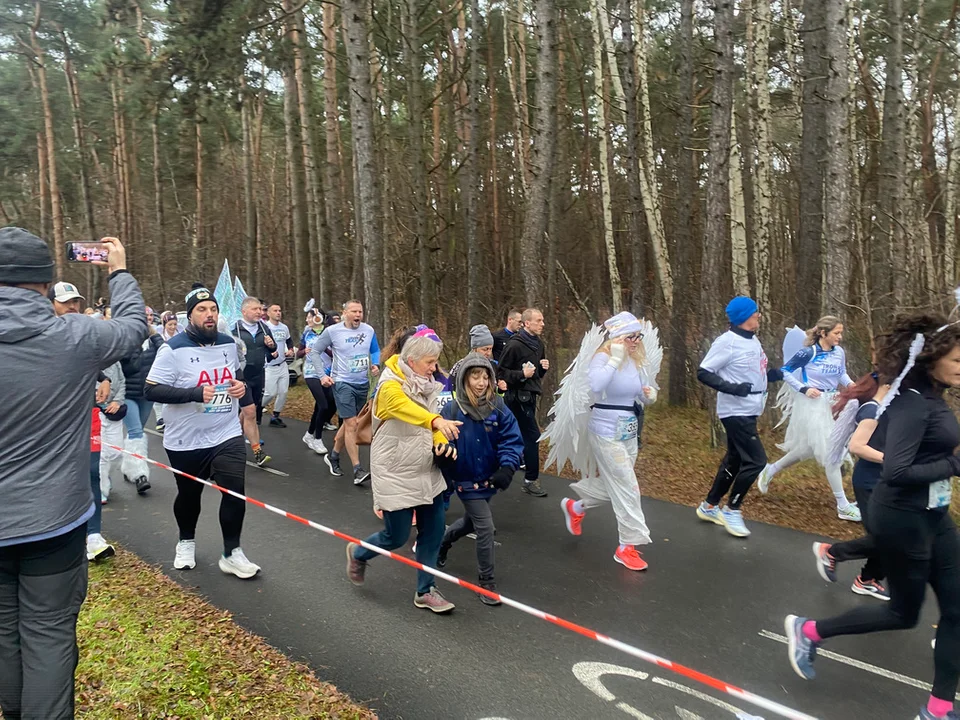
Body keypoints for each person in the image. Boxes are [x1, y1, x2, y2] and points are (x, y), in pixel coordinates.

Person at [0, 230, 146, 720]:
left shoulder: (75, 336)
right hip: (53, 522)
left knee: (4, 632)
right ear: (45, 283)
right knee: (47, 632)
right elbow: (131, 327)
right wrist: (119, 270)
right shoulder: (75, 337)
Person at [785, 313, 960, 720]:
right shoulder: (914, 403)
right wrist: (953, 465)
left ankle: (937, 710)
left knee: (957, 610)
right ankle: (809, 632)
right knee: (903, 613)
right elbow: (897, 471)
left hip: (935, 513)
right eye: (956, 360)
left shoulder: (932, 395)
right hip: (903, 516)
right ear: (930, 357)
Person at [145, 286, 261, 579]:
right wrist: (195, 393)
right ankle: (186, 540)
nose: (209, 315)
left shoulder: (227, 344)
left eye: (213, 310)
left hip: (225, 432)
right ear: (190, 315)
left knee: (235, 491)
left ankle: (232, 553)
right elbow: (151, 389)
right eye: (202, 310)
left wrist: (240, 387)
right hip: (186, 439)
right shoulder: (172, 349)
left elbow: (237, 377)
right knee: (189, 495)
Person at [345, 327, 462, 613]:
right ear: (411, 361)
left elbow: (431, 425)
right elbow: (403, 408)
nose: (435, 368)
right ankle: (359, 553)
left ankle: (425, 590)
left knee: (432, 532)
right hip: (395, 471)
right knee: (395, 537)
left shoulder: (428, 382)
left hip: (425, 469)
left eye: (435, 363)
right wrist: (435, 422)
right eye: (430, 363)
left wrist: (440, 442)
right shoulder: (389, 386)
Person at [558, 312, 660, 571]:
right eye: (630, 337)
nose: (636, 341)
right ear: (616, 338)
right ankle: (627, 545)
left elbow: (639, 392)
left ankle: (576, 507)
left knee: (613, 483)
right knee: (627, 485)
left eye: (638, 336)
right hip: (604, 430)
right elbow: (596, 384)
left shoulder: (636, 360)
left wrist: (649, 394)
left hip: (628, 429)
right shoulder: (602, 357)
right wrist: (614, 358)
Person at [436, 353, 524, 604]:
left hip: (489, 478)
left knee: (471, 523)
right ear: (465, 378)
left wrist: (507, 467)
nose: (482, 382)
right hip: (464, 478)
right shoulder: (452, 408)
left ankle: (443, 543)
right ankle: (486, 582)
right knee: (485, 526)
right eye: (476, 376)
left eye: (486, 376)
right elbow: (441, 439)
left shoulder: (498, 406)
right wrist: (443, 456)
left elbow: (511, 439)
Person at [696, 297, 783, 538]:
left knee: (735, 459)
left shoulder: (752, 339)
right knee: (756, 461)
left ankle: (709, 506)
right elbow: (703, 372)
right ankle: (732, 509)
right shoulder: (727, 342)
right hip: (735, 411)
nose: (759, 316)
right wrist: (732, 388)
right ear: (744, 317)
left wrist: (773, 375)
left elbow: (755, 372)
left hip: (751, 408)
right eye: (756, 313)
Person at [758, 316, 860, 521]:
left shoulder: (838, 352)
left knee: (806, 449)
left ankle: (770, 469)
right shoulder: (809, 352)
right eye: (836, 333)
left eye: (841, 333)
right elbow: (785, 371)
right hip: (812, 405)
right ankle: (843, 505)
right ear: (823, 333)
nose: (840, 337)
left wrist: (853, 387)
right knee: (831, 451)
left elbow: (841, 374)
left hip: (832, 402)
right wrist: (804, 388)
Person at [812, 372, 891, 600]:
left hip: (885, 480)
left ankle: (868, 579)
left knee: (891, 535)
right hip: (869, 483)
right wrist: (891, 459)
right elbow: (857, 446)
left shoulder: (887, 408)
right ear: (887, 384)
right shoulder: (871, 410)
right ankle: (832, 553)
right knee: (886, 537)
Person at [311, 300, 381, 483]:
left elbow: (375, 350)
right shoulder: (332, 331)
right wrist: (321, 376)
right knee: (351, 424)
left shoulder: (368, 330)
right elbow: (314, 352)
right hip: (342, 382)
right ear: (345, 313)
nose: (358, 315)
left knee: (353, 422)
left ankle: (333, 455)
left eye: (360, 311)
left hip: (362, 382)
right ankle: (358, 469)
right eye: (354, 311)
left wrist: (376, 364)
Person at [498, 308, 550, 497]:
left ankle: (499, 466)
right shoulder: (514, 345)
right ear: (527, 323)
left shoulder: (539, 344)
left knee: (511, 433)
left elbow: (534, 375)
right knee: (532, 436)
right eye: (539, 320)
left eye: (543, 320)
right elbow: (501, 373)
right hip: (516, 397)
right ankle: (530, 480)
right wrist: (521, 375)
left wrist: (542, 370)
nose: (542, 324)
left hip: (530, 397)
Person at [119, 310, 164, 495]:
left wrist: (155, 336)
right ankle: (140, 475)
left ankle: (127, 465)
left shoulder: (154, 340)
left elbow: (166, 353)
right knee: (136, 432)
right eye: (144, 318)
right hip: (128, 394)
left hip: (146, 394)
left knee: (136, 434)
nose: (147, 321)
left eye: (150, 318)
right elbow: (127, 366)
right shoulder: (125, 339)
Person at [233, 296, 277, 426]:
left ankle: (246, 433)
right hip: (241, 374)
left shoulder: (264, 328)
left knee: (254, 405)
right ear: (244, 311)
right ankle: (238, 435)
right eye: (255, 309)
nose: (259, 312)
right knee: (243, 407)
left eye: (260, 309)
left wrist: (271, 345)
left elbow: (273, 351)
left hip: (258, 373)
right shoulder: (234, 329)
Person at [96, 357, 127, 503]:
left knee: (117, 453)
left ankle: (105, 476)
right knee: (101, 455)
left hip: (114, 412)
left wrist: (117, 402)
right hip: (96, 411)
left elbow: (121, 382)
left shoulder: (115, 362)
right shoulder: (89, 360)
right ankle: (101, 489)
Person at [263, 303, 294, 427]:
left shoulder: (284, 327)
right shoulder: (265, 327)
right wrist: (270, 352)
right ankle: (256, 408)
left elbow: (289, 341)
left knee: (283, 392)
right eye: (275, 310)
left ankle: (275, 417)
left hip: (282, 364)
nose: (278, 313)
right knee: (270, 393)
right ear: (268, 313)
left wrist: (290, 349)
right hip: (269, 366)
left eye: (279, 310)